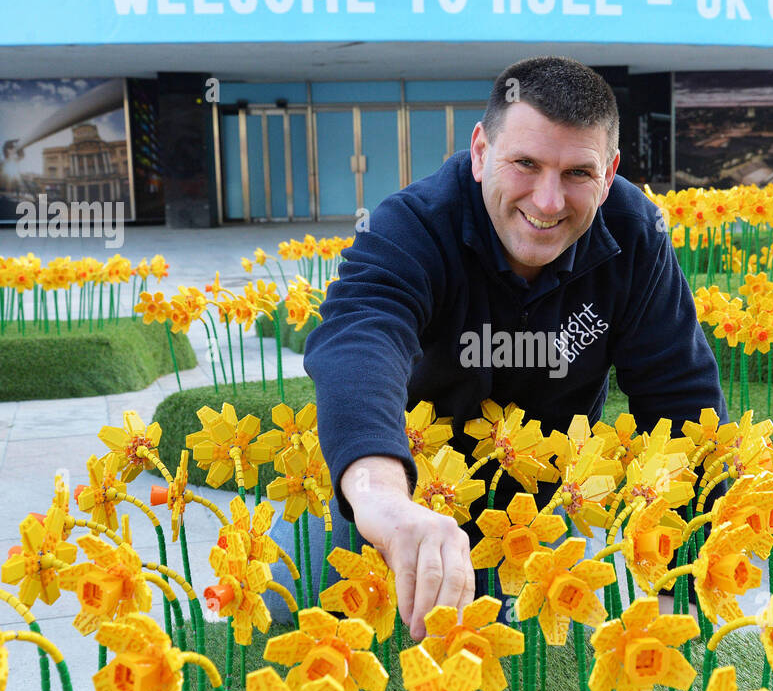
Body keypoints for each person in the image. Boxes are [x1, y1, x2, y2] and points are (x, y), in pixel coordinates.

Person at [293, 55, 728, 641]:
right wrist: (382, 500)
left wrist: (690, 565)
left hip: (541, 517)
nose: (547, 202)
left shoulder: (635, 232)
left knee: (540, 671)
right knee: (292, 604)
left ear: (610, 172)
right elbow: (359, 338)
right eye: (525, 163)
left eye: (578, 173)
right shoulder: (413, 224)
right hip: (408, 499)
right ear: (479, 152)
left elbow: (679, 394)